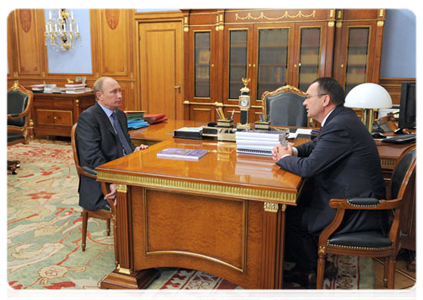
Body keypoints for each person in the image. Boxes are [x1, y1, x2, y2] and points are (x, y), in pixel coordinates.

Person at [272, 77, 388, 288]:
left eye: (308, 97)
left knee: (286, 216)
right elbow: (317, 144)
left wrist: (283, 159)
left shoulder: (339, 125)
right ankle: (309, 263)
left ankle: (309, 271)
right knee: (296, 204)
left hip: (356, 208)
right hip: (352, 195)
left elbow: (309, 168)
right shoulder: (341, 119)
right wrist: (294, 151)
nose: (304, 102)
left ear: (325, 100)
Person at [76, 77, 148, 211]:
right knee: (140, 202)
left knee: (152, 190)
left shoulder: (120, 115)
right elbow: (91, 157)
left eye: (120, 91)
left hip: (122, 171)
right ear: (100, 96)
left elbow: (123, 144)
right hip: (100, 183)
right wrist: (110, 181)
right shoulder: (88, 118)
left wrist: (134, 150)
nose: (119, 96)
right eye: (113, 92)